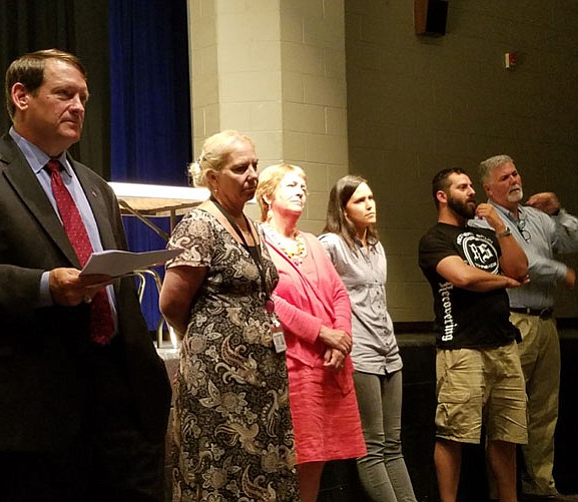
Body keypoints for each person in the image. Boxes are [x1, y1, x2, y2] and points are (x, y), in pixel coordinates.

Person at [0, 49, 171, 502]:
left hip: (122, 407)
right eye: (64, 94)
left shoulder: (97, 187)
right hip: (30, 413)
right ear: (21, 95)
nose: (78, 107)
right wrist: (44, 287)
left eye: (84, 98)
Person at [159, 131, 299, 501]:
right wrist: (212, 339)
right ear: (212, 177)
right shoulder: (199, 225)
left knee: (265, 469)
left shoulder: (252, 226)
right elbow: (171, 304)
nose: (252, 174)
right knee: (222, 470)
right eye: (240, 168)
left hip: (263, 378)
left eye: (254, 165)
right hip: (218, 384)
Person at [256, 163, 367, 502]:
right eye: (291, 185)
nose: (301, 190)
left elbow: (338, 293)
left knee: (317, 457)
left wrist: (341, 339)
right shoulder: (257, 240)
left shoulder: (312, 243)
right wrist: (322, 333)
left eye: (303, 185)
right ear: (267, 195)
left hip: (328, 364)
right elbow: (268, 299)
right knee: (291, 457)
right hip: (291, 365)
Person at [418, 168, 529, 502]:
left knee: (507, 434)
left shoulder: (486, 235)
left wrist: (499, 225)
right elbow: (464, 277)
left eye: (470, 186)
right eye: (462, 187)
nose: (470, 192)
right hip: (462, 347)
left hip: (503, 345)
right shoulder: (434, 239)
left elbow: (520, 269)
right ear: (442, 195)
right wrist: (504, 282)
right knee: (454, 433)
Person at [475, 155, 578, 502]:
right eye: (504, 178)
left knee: (545, 408)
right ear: (489, 188)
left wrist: (558, 212)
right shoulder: (484, 220)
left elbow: (572, 243)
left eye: (516, 173)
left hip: (546, 321)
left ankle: (541, 485)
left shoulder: (537, 217)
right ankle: (504, 493)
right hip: (513, 319)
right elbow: (521, 265)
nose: (514, 180)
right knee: (507, 410)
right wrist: (560, 272)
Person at [319, 175, 417, 502]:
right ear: (343, 210)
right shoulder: (331, 244)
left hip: (389, 348)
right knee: (372, 447)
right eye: (360, 200)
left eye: (371, 198)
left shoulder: (375, 245)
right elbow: (319, 294)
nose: (370, 204)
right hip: (360, 353)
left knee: (394, 444)